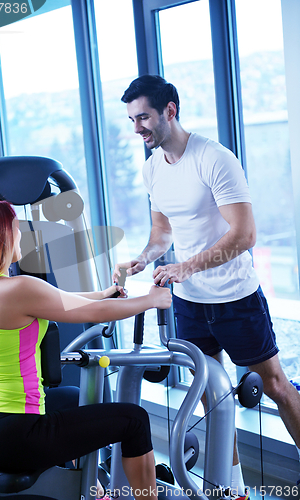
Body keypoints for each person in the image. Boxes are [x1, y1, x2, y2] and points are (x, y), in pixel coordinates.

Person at [113, 74, 300, 495]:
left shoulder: (214, 158)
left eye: (143, 117)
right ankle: (230, 488)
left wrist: (189, 267)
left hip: (235, 297)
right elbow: (163, 231)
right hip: (190, 303)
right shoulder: (151, 170)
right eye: (131, 119)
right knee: (210, 397)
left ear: (170, 111)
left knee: (275, 387)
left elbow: (244, 234)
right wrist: (144, 258)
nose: (137, 127)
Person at [0, 198, 172, 500]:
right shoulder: (18, 288)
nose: (22, 235)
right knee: (134, 420)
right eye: (16, 228)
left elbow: (60, 299)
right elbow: (93, 313)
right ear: (0, 237)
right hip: (16, 435)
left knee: (76, 399)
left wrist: (104, 293)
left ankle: (92, 489)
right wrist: (151, 300)